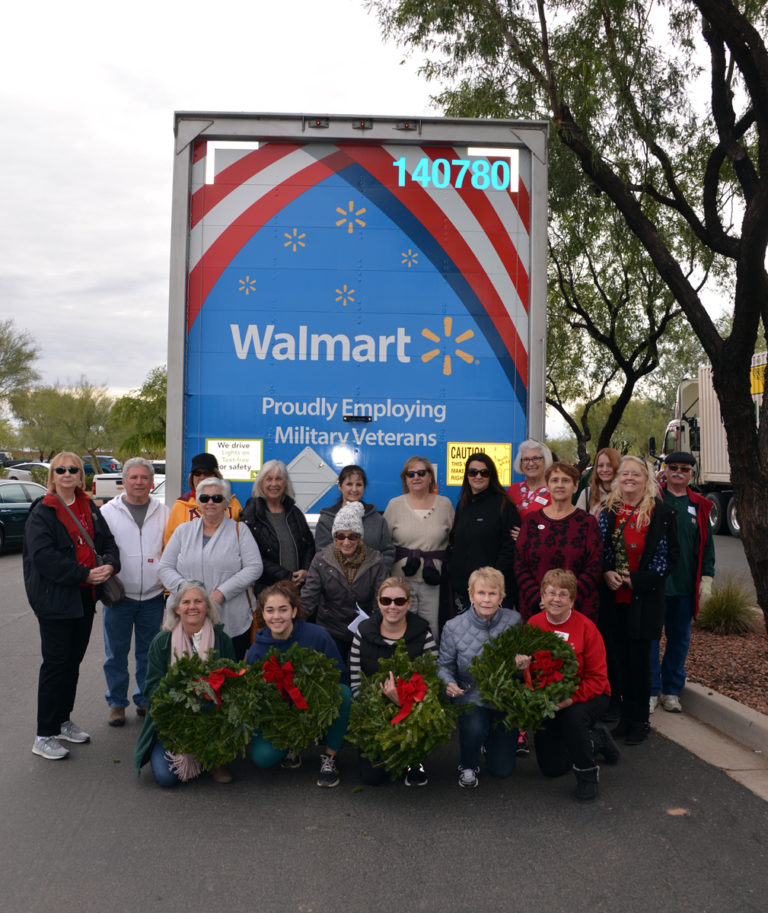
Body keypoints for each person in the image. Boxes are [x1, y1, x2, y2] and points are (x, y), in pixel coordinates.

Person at [24, 453, 120, 760]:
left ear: (81, 475)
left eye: (73, 469)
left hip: (83, 597)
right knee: (55, 664)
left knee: (72, 661)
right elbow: (43, 557)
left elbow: (107, 542)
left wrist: (111, 566)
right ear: (52, 476)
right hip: (55, 599)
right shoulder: (43, 511)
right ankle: (43, 734)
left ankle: (62, 721)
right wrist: (84, 574)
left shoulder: (88, 506)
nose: (67, 474)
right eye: (60, 469)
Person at [599, 456, 678, 745]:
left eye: (636, 474)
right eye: (625, 474)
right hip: (613, 597)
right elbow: (599, 549)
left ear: (647, 480)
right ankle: (625, 718)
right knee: (617, 660)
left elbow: (670, 558)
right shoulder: (608, 511)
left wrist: (637, 579)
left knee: (639, 662)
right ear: (618, 478)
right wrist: (606, 572)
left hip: (643, 600)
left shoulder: (662, 513)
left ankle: (640, 721)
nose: (629, 478)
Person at [522, 569, 619, 801]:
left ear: (572, 600)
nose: (556, 598)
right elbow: (530, 670)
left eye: (563, 594)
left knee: (572, 718)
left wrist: (569, 700)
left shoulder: (587, 628)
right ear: (542, 597)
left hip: (587, 694)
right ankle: (596, 740)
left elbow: (598, 680)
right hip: (550, 696)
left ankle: (587, 774)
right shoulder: (534, 623)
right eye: (551, 593)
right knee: (551, 768)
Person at [246, 581, 352, 788]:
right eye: (270, 610)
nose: (276, 616)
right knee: (262, 758)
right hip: (282, 713)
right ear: (263, 614)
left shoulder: (317, 635)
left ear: (294, 611)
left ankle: (330, 756)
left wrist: (315, 696)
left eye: (283, 609)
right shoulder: (257, 650)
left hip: (316, 705)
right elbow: (254, 693)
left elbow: (338, 674)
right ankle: (291, 744)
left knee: (344, 693)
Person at [133, 581, 236, 786]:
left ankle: (214, 758)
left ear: (207, 607)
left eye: (198, 601)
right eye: (186, 602)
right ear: (177, 609)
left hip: (211, 714)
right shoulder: (162, 641)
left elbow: (233, 679)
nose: (192, 606)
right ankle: (188, 752)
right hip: (173, 719)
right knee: (166, 778)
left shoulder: (221, 638)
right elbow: (151, 688)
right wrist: (178, 699)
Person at [160, 476, 263, 660]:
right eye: (204, 498)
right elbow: (165, 567)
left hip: (230, 619)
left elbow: (254, 568)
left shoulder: (240, 531)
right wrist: (188, 593)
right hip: (186, 619)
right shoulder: (183, 531)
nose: (210, 502)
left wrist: (221, 593)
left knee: (228, 675)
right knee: (186, 676)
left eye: (217, 498)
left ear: (226, 503)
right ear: (198, 502)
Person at [100, 457, 170, 726]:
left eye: (144, 478)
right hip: (118, 597)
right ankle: (116, 703)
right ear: (124, 480)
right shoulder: (107, 512)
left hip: (153, 596)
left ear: (152, 483)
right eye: (134, 477)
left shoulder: (163, 512)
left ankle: (144, 699)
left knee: (148, 653)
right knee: (115, 654)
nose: (139, 482)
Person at [349, 577, 438, 786]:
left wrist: (403, 701)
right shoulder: (362, 632)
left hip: (412, 708)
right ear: (378, 602)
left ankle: (415, 760)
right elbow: (355, 680)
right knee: (372, 778)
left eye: (399, 601)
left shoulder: (423, 633)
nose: (392, 606)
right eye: (386, 600)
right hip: (374, 711)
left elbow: (433, 679)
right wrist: (378, 705)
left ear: (408, 603)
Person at [438, 567, 521, 789]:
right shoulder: (453, 627)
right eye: (481, 593)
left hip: (503, 696)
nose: (486, 599)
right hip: (470, 694)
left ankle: (490, 743)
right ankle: (468, 764)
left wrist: (522, 664)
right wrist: (449, 683)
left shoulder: (514, 621)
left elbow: (521, 664)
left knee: (501, 770)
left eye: (492, 593)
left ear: (502, 596)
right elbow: (444, 666)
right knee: (474, 728)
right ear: (471, 595)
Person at [651, 451, 715, 714]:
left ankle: (671, 689)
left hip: (685, 587)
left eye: (685, 468)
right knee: (651, 640)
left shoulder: (699, 505)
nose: (678, 472)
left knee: (679, 639)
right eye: (673, 467)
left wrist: (706, 579)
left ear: (691, 473)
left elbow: (707, 546)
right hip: (655, 585)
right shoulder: (652, 498)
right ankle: (651, 690)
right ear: (665, 470)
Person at [301, 501, 389, 666]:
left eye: (352, 536)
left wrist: (372, 630)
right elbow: (308, 598)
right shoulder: (321, 560)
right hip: (330, 629)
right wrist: (295, 623)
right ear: (334, 537)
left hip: (364, 630)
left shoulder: (376, 560)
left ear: (360, 537)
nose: (346, 542)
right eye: (340, 536)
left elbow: (381, 599)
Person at [514, 462, 603, 623]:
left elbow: (595, 566)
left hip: (577, 609)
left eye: (566, 480)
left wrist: (567, 598)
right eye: (555, 480)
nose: (560, 485)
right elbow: (520, 564)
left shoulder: (587, 522)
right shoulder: (532, 521)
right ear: (547, 486)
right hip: (536, 609)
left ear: (576, 486)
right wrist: (540, 598)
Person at [384, 456, 454, 641]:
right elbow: (385, 543)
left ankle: (428, 667)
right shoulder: (394, 505)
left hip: (434, 579)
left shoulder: (445, 504)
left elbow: (456, 539)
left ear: (430, 477)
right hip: (400, 579)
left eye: (421, 473)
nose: (416, 477)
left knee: (431, 627)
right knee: (400, 624)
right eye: (411, 474)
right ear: (405, 479)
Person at [449, 453, 520, 610]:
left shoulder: (504, 505)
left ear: (491, 476)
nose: (478, 476)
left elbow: (509, 547)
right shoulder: (463, 504)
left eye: (484, 472)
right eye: (473, 472)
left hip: (493, 592)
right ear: (467, 475)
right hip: (467, 590)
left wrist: (493, 580)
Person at [241, 460, 315, 596]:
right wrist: (286, 576)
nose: (274, 484)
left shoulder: (295, 513)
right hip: (266, 592)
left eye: (278, 479)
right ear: (261, 483)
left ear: (285, 483)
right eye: (268, 479)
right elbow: (251, 556)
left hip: (297, 591)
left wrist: (305, 570)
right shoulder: (251, 514)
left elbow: (309, 545)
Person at [314, 464, 394, 569]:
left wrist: (375, 574)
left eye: (359, 484)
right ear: (340, 486)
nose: (354, 489)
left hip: (371, 582)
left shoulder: (377, 519)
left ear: (364, 487)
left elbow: (388, 552)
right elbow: (322, 554)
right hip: (335, 582)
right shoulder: (327, 519)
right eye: (349, 484)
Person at [164, 452, 242, 545]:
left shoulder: (233, 504)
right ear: (192, 478)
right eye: (197, 473)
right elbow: (169, 542)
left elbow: (241, 539)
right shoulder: (181, 505)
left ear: (216, 476)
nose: (202, 477)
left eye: (207, 473)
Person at [507, 439, 553, 518]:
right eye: (526, 459)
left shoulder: (554, 490)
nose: (531, 463)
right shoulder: (513, 489)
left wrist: (526, 530)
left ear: (545, 461)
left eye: (535, 458)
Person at [575, 448, 622, 516]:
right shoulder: (587, 494)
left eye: (610, 465)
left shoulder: (626, 494)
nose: (605, 469)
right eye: (600, 466)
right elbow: (578, 521)